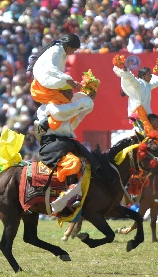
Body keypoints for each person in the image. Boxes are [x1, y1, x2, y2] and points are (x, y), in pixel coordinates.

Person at [29, 33, 99, 210]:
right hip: (53, 144)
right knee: (73, 163)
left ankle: (84, 196)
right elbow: (51, 74)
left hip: (65, 141)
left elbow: (76, 117)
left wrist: (87, 97)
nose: (70, 94)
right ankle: (65, 195)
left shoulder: (63, 107)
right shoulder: (51, 107)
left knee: (91, 162)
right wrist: (70, 84)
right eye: (67, 92)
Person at [113, 64, 158, 143]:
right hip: (139, 114)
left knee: (157, 134)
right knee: (151, 135)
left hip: (147, 115)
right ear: (143, 76)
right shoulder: (139, 83)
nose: (151, 76)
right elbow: (132, 79)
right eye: (149, 74)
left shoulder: (148, 85)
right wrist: (126, 71)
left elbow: (155, 83)